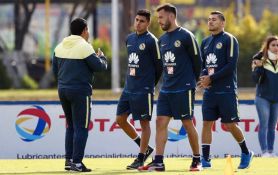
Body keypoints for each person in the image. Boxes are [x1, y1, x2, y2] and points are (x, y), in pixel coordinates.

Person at [138, 3, 202, 172]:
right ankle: (158, 161)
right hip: (167, 89)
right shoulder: (162, 40)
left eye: (161, 17)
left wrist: (193, 83)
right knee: (160, 122)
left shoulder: (187, 36)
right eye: (158, 17)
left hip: (184, 88)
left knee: (187, 123)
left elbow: (197, 62)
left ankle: (197, 160)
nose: (158, 21)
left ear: (171, 16)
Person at [197, 11, 253, 169]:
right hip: (210, 92)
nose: (210, 22)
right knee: (207, 123)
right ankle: (206, 159)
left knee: (230, 124)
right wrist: (203, 78)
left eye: (214, 20)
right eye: (208, 20)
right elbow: (203, 66)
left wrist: (211, 78)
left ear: (223, 23)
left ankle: (246, 152)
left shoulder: (229, 39)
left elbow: (230, 65)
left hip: (226, 90)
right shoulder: (205, 42)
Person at [52, 18, 108, 172]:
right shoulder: (85, 46)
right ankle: (77, 163)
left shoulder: (59, 46)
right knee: (81, 127)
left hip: (62, 90)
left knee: (70, 126)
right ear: (84, 30)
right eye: (87, 30)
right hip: (80, 91)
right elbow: (99, 67)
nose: (88, 33)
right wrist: (102, 57)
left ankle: (69, 161)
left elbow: (54, 71)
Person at [115, 9, 163, 170]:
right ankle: (145, 147)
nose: (138, 23)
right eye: (137, 20)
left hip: (144, 89)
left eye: (142, 21)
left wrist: (149, 84)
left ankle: (141, 158)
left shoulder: (152, 41)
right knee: (120, 120)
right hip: (129, 88)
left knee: (144, 124)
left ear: (148, 23)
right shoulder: (129, 39)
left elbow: (159, 66)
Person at [251, 35, 278, 157]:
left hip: (277, 98)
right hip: (262, 97)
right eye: (273, 45)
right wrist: (259, 67)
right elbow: (255, 78)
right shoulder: (259, 59)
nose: (276, 47)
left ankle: (271, 151)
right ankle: (264, 152)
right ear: (267, 46)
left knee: (272, 126)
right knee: (263, 124)